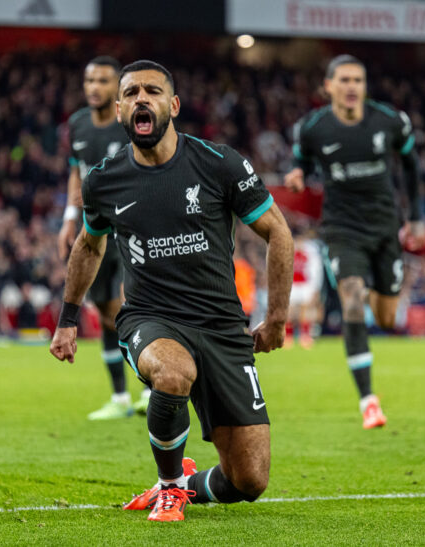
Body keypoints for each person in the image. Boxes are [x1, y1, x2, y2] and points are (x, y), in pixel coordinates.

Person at [50, 60, 293, 522]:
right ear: (120, 110)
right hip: (149, 318)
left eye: (153, 91)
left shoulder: (220, 164)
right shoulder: (102, 180)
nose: (142, 98)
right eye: (132, 93)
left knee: (249, 480)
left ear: (173, 105)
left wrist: (277, 316)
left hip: (223, 327)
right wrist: (67, 320)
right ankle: (168, 487)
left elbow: (278, 233)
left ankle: (186, 484)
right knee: (173, 372)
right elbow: (88, 245)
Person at [285, 55, 425, 429]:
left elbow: (412, 165)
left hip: (384, 228)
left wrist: (416, 218)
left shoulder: (390, 122)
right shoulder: (313, 128)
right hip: (342, 229)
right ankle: (368, 401)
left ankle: (372, 302)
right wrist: (298, 174)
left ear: (364, 87)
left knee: (385, 317)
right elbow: (300, 161)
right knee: (350, 297)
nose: (351, 87)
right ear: (328, 86)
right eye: (344, 80)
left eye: (358, 81)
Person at [56, 56, 138, 420]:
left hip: (131, 227)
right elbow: (77, 171)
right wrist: (69, 218)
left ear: (117, 87)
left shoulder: (130, 123)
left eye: (103, 81)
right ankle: (121, 397)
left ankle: (157, 387)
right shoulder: (77, 124)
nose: (94, 87)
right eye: (89, 80)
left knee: (129, 305)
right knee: (106, 312)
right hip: (95, 229)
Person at [288, 234, 322, 349]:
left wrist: (315, 287)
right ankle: (288, 336)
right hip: (292, 284)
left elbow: (315, 270)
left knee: (306, 309)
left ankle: (305, 336)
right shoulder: (288, 249)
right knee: (290, 310)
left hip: (305, 284)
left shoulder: (310, 251)